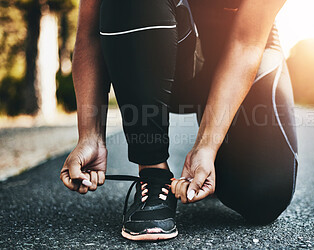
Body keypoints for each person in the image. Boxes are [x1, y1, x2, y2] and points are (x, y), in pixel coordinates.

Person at [60, 0, 298, 241]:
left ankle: (215, 156)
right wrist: (90, 135)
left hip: (238, 48)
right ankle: (153, 176)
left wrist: (207, 146)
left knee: (263, 195)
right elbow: (90, 32)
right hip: (160, 50)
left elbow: (246, 44)